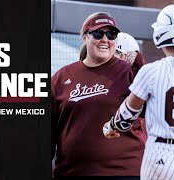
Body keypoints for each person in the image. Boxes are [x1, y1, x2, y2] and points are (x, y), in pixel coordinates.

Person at [103, 4, 174, 180]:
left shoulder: (152, 71)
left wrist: (111, 127)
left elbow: (127, 114)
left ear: (162, 33)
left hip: (162, 154)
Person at [51, 12, 147, 178]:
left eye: (111, 34)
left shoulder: (129, 72)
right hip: (72, 173)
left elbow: (151, 107)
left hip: (124, 173)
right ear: (85, 38)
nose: (105, 39)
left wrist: (140, 65)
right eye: (97, 33)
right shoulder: (61, 77)